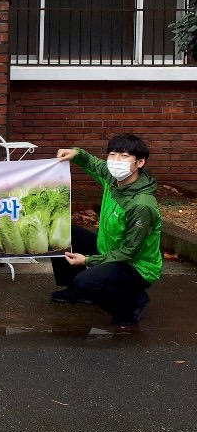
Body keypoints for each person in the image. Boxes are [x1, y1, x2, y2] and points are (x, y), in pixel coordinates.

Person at [53, 134, 162, 326]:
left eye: (124, 156)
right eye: (112, 155)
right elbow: (93, 163)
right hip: (110, 250)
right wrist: (76, 153)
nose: (116, 161)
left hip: (135, 266)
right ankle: (76, 292)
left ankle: (131, 305)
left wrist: (88, 260)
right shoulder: (112, 179)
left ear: (140, 162)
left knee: (85, 282)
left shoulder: (141, 206)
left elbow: (130, 252)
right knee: (62, 232)